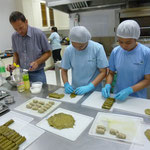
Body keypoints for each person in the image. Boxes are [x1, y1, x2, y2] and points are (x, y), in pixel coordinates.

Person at [102, 20, 150, 101]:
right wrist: (107, 85)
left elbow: (148, 80)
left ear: (136, 38)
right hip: (118, 94)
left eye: (128, 42)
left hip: (138, 98)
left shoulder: (146, 53)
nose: (124, 46)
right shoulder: (116, 51)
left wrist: (129, 90)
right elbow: (111, 73)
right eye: (120, 42)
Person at [61, 26, 108, 95]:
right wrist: (66, 84)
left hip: (94, 90)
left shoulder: (97, 48)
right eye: (74, 46)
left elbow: (103, 72)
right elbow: (64, 70)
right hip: (76, 89)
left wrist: (90, 86)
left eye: (81, 46)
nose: (78, 49)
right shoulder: (69, 50)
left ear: (87, 40)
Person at [7, 11, 51, 83]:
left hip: (38, 74)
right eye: (16, 29)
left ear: (26, 22)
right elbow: (16, 54)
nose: (19, 32)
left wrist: (37, 62)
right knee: (25, 94)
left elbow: (48, 53)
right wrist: (14, 65)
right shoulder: (14, 36)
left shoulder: (38, 33)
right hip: (23, 74)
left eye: (21, 28)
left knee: (41, 94)